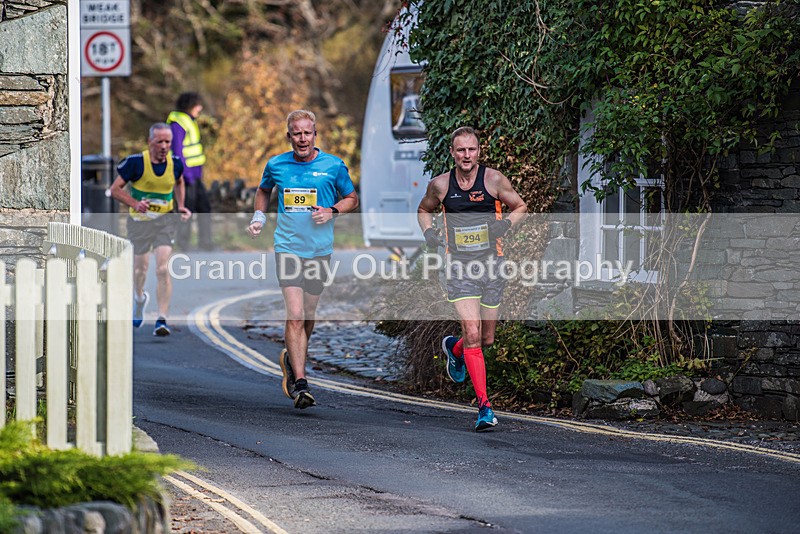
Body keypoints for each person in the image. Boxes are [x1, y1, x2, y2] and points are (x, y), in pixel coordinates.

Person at [417, 126, 527, 431]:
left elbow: (520, 206)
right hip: (459, 268)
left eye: (472, 149)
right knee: (475, 334)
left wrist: (504, 225)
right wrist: (429, 233)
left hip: (492, 266)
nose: (467, 155)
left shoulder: (493, 180)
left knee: (486, 338)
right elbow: (423, 210)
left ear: (479, 151)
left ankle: (454, 348)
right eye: (461, 150)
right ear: (452, 152)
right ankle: (484, 408)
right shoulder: (440, 185)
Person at [247, 110, 359, 409]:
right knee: (295, 315)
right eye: (296, 133)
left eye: (307, 132)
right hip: (288, 248)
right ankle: (300, 382)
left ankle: (291, 356)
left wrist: (331, 211)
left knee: (309, 314)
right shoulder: (276, 164)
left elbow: (352, 198)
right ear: (289, 136)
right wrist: (259, 216)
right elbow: (263, 190)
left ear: (315, 134)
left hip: (320, 251)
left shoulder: (333, 166)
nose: (302, 138)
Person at [110, 123, 192, 336]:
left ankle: (161, 319)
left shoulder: (175, 163)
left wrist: (181, 205)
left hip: (165, 220)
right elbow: (114, 190)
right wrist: (134, 203)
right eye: (160, 142)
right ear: (150, 142)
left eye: (168, 142)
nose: (164, 146)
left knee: (162, 268)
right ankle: (139, 298)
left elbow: (180, 182)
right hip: (140, 222)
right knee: (140, 270)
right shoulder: (135, 163)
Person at [167, 91, 213, 250]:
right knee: (187, 209)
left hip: (195, 175)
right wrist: (184, 175)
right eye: (197, 105)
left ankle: (205, 243)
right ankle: (184, 244)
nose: (200, 108)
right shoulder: (178, 124)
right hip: (187, 176)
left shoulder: (188, 121)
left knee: (204, 207)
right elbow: (178, 151)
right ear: (189, 106)